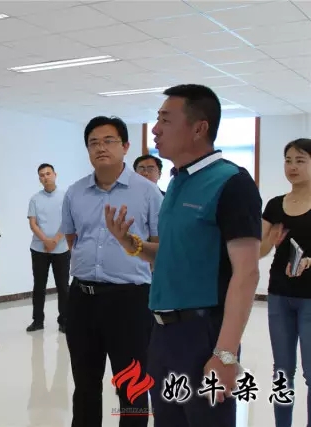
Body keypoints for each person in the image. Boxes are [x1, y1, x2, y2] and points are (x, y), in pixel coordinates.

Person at [105, 84, 262, 427]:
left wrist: (225, 354)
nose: (156, 130)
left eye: (165, 120)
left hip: (203, 333)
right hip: (162, 333)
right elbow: (175, 254)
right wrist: (132, 243)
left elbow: (247, 273)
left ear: (198, 128)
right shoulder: (177, 182)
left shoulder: (232, 182)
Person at [60, 116, 162, 427]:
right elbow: (73, 239)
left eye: (108, 141)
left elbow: (160, 246)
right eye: (93, 142)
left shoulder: (147, 192)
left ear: (125, 146)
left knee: (132, 387)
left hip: (130, 301)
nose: (100, 148)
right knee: (85, 384)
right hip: (82, 298)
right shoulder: (75, 192)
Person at [261, 138, 311, 427]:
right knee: (282, 371)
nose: (292, 166)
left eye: (300, 160)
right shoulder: (275, 205)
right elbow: (259, 250)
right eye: (288, 160)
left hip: (310, 299)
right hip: (279, 295)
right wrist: (269, 240)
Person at [26, 163, 69, 333]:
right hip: (39, 249)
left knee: (63, 287)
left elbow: (68, 221)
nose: (45, 177)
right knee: (39, 286)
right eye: (42, 175)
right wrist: (45, 240)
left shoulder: (65, 196)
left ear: (55, 175)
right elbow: (33, 223)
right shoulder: (35, 199)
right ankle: (37, 321)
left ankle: (64, 321)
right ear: (39, 179)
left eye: (48, 173)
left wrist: (55, 240)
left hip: (62, 249)